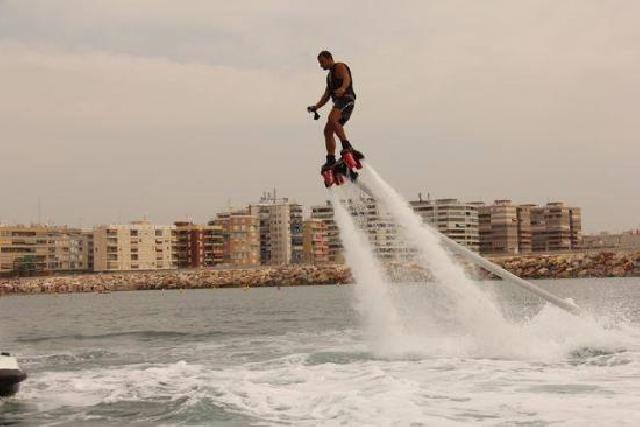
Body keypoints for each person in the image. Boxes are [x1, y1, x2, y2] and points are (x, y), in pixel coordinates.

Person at [308, 51, 362, 171]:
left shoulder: (339, 66)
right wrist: (316, 107)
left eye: (322, 62)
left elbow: (346, 78)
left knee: (332, 119)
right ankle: (331, 159)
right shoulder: (329, 77)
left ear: (329, 59)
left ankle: (347, 146)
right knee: (327, 130)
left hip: (347, 100)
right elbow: (326, 95)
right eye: (319, 63)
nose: (321, 65)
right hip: (338, 103)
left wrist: (343, 88)